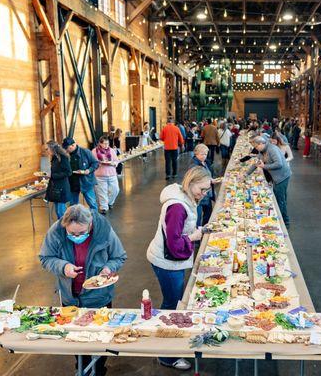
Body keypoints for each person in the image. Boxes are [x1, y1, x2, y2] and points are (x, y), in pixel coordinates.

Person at [39, 204, 126, 376]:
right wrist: (63, 267)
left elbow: (119, 256)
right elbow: (45, 257)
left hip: (99, 297)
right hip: (70, 297)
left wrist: (108, 268)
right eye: (72, 234)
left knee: (102, 338)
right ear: (65, 226)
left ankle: (100, 368)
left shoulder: (104, 232)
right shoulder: (56, 232)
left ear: (90, 224)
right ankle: (81, 368)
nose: (77, 237)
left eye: (82, 233)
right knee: (75, 338)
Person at [146, 167, 211, 371]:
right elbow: (174, 243)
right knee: (172, 304)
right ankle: (167, 354)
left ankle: (170, 344)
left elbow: (181, 229)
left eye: (207, 190)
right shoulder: (177, 207)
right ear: (191, 183)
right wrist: (193, 237)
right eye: (202, 189)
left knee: (174, 301)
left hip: (170, 260)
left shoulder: (184, 196)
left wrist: (198, 230)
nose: (204, 193)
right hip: (167, 261)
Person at [246, 135, 292, 227]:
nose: (256, 149)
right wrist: (246, 174)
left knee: (280, 200)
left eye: (256, 146)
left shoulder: (272, 149)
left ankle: (285, 223)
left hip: (282, 177)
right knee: (279, 198)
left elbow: (279, 164)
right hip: (276, 177)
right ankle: (282, 220)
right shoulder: (262, 151)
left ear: (261, 143)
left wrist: (264, 166)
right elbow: (256, 163)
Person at [63, 137, 99, 211]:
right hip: (72, 184)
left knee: (92, 204)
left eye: (67, 148)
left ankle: (95, 220)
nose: (66, 150)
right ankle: (75, 221)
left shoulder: (85, 152)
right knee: (72, 206)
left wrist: (89, 170)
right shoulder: (66, 155)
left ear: (73, 145)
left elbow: (95, 163)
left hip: (86, 182)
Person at [189, 144, 220, 226]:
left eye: (205, 154)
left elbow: (207, 175)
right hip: (198, 195)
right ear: (196, 154)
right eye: (202, 154)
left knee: (208, 215)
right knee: (197, 218)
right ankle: (197, 234)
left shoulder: (205, 162)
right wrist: (210, 182)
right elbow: (195, 180)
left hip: (207, 194)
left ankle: (204, 230)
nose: (204, 156)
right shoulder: (194, 165)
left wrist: (211, 180)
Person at [92, 135, 120, 215]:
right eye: (104, 144)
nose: (106, 145)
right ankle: (103, 207)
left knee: (116, 190)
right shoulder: (94, 151)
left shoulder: (111, 150)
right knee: (102, 192)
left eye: (107, 143)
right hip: (100, 175)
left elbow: (116, 161)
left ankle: (110, 202)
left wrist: (113, 163)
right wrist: (99, 163)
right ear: (100, 143)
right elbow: (92, 162)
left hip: (112, 174)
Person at [45, 141, 72, 219]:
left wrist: (53, 175)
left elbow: (68, 172)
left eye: (48, 149)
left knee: (61, 212)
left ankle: (66, 228)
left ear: (52, 149)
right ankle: (63, 228)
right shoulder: (54, 158)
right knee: (58, 211)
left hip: (62, 188)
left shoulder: (63, 158)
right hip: (56, 188)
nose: (47, 151)